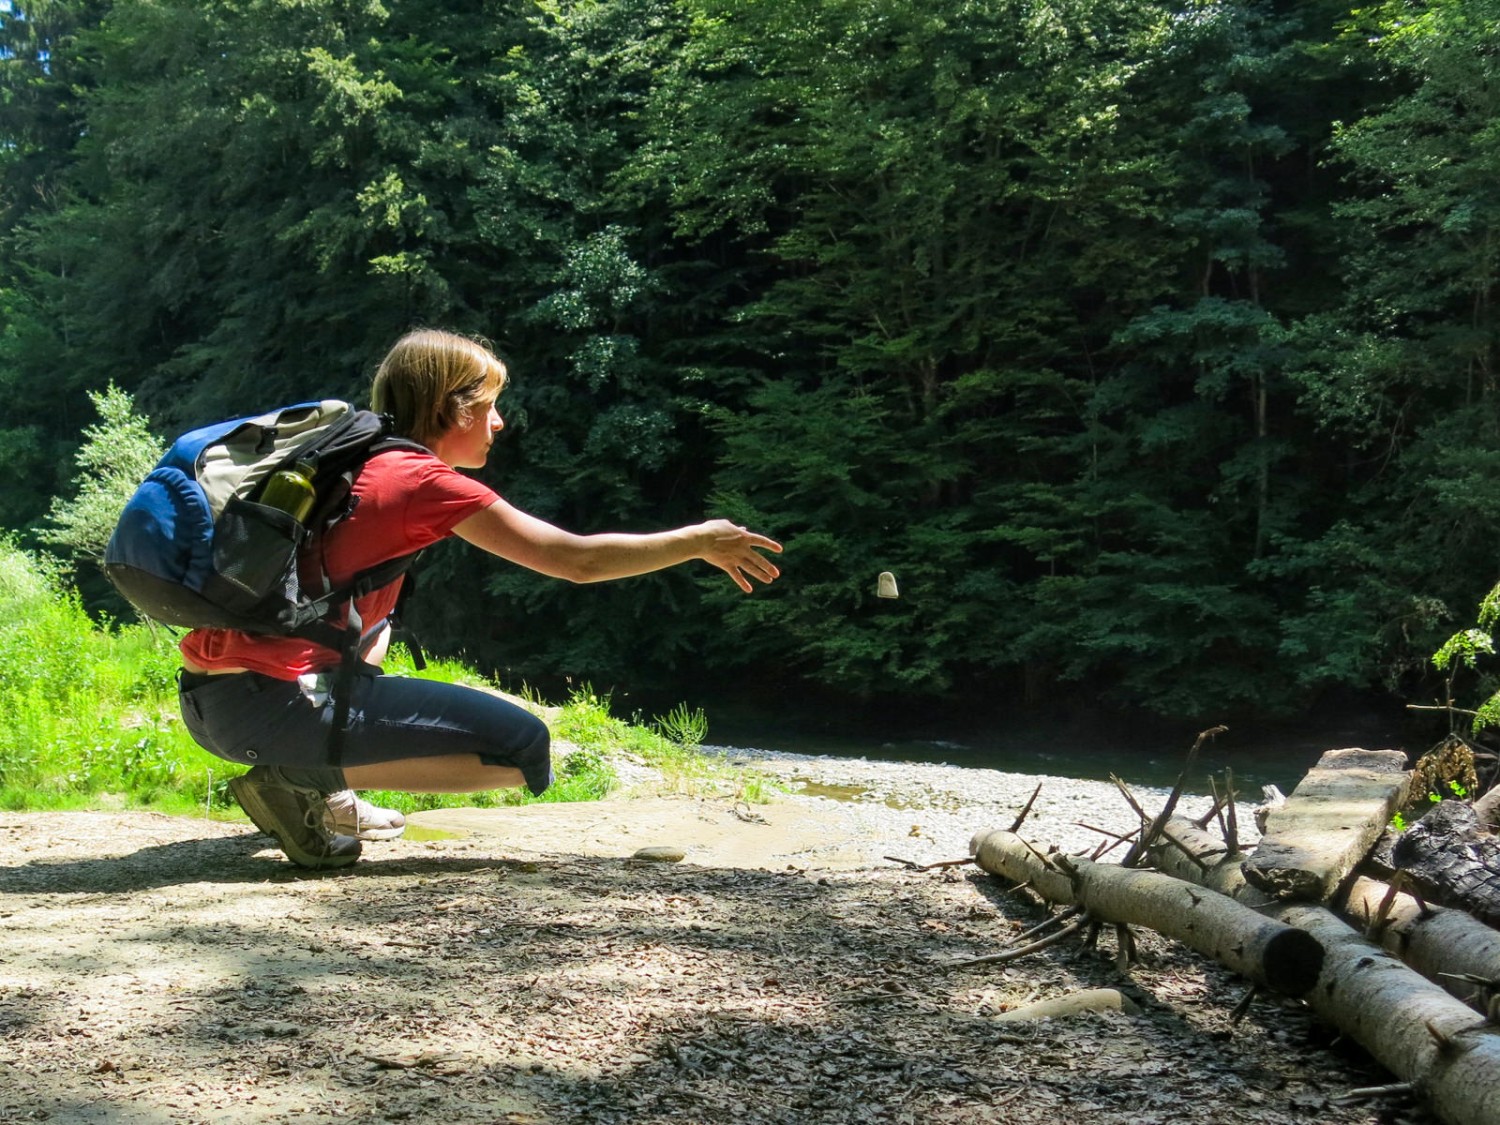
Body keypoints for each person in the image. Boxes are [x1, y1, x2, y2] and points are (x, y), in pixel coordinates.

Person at [177, 328, 783, 868]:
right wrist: (697, 540)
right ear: (451, 408)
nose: (499, 422)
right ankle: (298, 778)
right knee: (520, 750)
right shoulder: (422, 482)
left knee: (378, 630)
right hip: (266, 710)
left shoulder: (353, 461)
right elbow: (577, 560)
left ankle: (325, 791)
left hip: (212, 696)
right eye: (490, 406)